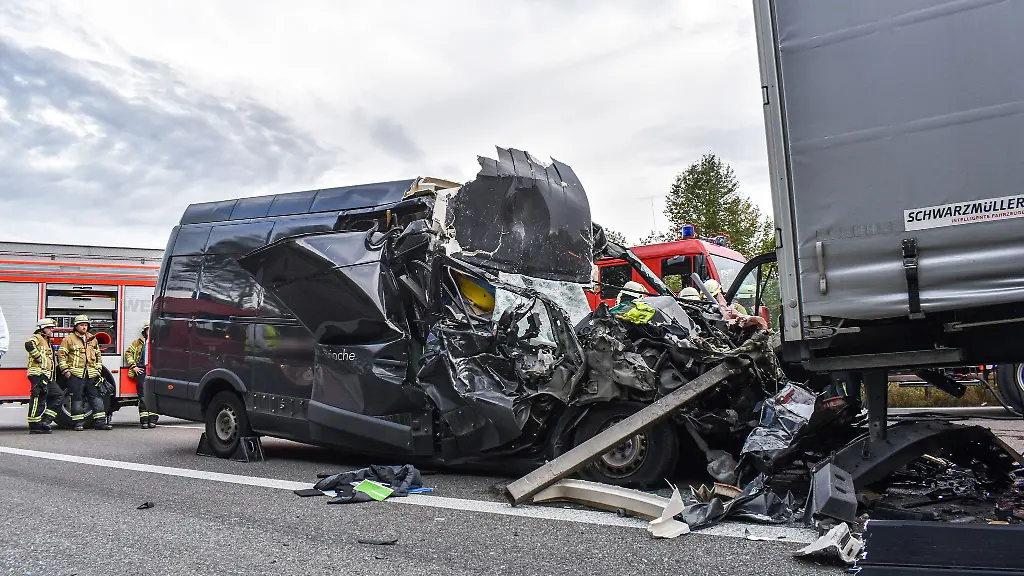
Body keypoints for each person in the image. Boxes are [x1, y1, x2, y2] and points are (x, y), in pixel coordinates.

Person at [58, 314, 112, 431]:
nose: (84, 327)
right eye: (82, 325)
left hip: (91, 374)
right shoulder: (68, 339)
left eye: (86, 325)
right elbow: (61, 355)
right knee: (77, 398)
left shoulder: (92, 339)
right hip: (76, 374)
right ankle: (78, 423)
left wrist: (98, 369)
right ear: (76, 326)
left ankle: (100, 422)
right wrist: (65, 370)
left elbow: (98, 355)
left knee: (96, 397)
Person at [25, 318, 62, 434]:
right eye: (49, 328)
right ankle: (34, 425)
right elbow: (28, 344)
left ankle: (45, 420)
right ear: (42, 328)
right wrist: (38, 358)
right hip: (38, 373)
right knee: (38, 397)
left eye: (52, 328)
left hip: (46, 375)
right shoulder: (37, 337)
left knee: (58, 395)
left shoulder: (46, 340)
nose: (52, 330)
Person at [124, 321, 157, 429]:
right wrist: (134, 366)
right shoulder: (138, 342)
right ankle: (144, 421)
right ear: (145, 331)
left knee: (154, 395)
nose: (150, 331)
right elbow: (128, 353)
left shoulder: (158, 342)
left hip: (154, 371)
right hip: (142, 370)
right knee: (142, 395)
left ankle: (153, 420)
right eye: (148, 329)